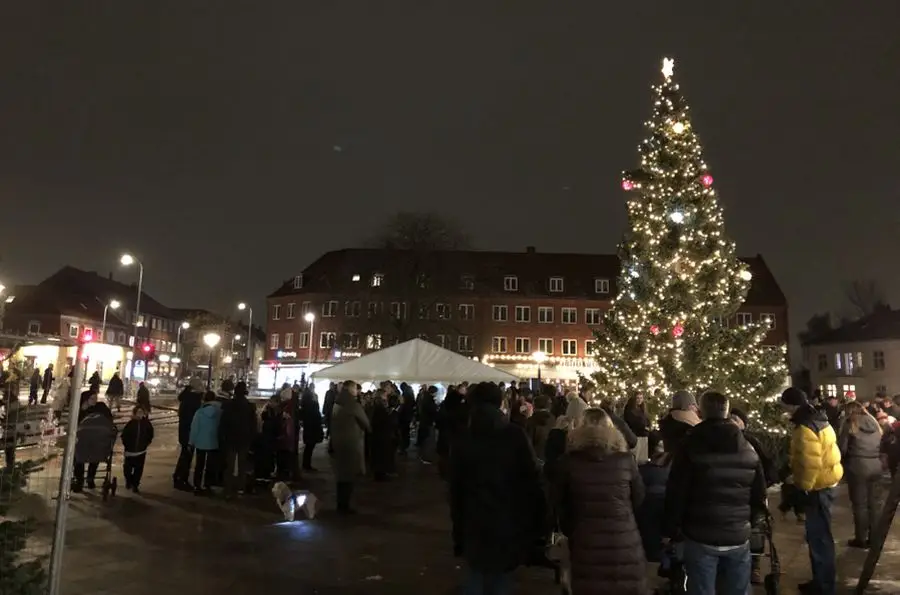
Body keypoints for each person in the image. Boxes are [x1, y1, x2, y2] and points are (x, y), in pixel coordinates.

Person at [664, 392, 767, 595]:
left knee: (702, 589)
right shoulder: (748, 447)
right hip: (737, 534)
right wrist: (751, 522)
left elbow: (677, 492)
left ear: (701, 411)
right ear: (726, 411)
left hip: (700, 533)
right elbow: (759, 493)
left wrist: (671, 529)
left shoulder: (690, 445)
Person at [450, 382, 545, 595]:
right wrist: (537, 522)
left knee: (476, 574)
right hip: (508, 517)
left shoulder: (463, 437)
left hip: (473, 518)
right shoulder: (514, 434)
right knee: (500, 577)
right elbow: (532, 479)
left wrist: (458, 530)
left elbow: (456, 489)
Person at [554, 408, 647, 594]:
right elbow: (639, 497)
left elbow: (560, 504)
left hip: (586, 544)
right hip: (624, 542)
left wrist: (571, 529)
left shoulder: (569, 462)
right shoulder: (626, 460)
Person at [780, 387, 843, 595]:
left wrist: (804, 488)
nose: (784, 410)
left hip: (817, 488)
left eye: (785, 406)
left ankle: (824, 586)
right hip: (825, 483)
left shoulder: (805, 427)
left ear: (791, 405)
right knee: (818, 537)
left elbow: (810, 463)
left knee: (819, 538)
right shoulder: (818, 419)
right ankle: (820, 581)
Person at [839, 401, 883, 549]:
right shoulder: (874, 423)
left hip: (857, 467)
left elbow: (842, 448)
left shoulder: (850, 423)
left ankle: (861, 538)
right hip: (876, 465)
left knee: (860, 505)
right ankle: (874, 537)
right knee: (874, 504)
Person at [330, 380, 370, 513]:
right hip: (351, 442)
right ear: (351, 389)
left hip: (338, 441)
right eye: (355, 388)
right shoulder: (352, 404)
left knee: (341, 475)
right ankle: (344, 506)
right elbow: (366, 423)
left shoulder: (337, 402)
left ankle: (340, 503)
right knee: (349, 475)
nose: (357, 391)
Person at [218, 381, 258, 496]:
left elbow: (223, 423)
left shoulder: (228, 405)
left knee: (229, 465)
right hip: (244, 439)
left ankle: (228, 489)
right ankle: (241, 487)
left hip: (231, 438)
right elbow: (253, 425)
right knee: (242, 464)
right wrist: (252, 437)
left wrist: (222, 436)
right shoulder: (250, 406)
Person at [173, 378, 204, 491]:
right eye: (200, 385)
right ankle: (181, 479)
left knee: (185, 456)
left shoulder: (186, 398)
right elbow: (193, 419)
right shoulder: (193, 400)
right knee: (186, 457)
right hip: (189, 433)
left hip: (185, 432)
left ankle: (179, 478)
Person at [189, 391, 223, 495]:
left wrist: (191, 442)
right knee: (210, 465)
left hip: (200, 442)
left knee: (199, 465)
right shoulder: (219, 412)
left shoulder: (199, 412)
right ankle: (208, 485)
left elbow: (194, 428)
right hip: (213, 442)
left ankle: (197, 486)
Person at [120, 405, 154, 493]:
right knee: (127, 469)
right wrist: (127, 445)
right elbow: (124, 435)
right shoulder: (130, 423)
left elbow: (150, 434)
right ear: (135, 413)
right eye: (138, 412)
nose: (140, 414)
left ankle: (135, 485)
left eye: (141, 412)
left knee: (138, 469)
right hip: (130, 451)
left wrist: (146, 443)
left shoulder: (146, 423)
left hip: (141, 451)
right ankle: (129, 481)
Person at [659, 390, 701, 455]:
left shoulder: (668, 420)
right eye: (694, 405)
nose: (696, 409)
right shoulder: (690, 422)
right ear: (689, 406)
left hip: (671, 459)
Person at [524, 395, 556, 462]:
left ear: (535, 406)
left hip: (535, 458)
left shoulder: (531, 421)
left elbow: (527, 443)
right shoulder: (553, 419)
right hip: (550, 457)